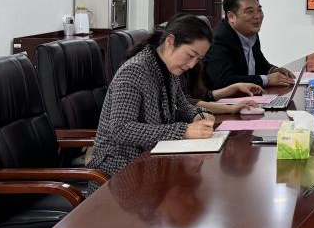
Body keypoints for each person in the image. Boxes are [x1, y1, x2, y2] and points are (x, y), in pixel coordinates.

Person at [89, 15, 218, 178]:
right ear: (170, 41)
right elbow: (121, 129)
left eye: (198, 59)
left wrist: (197, 114)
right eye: (190, 55)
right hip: (121, 172)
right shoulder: (134, 71)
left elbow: (181, 106)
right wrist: (183, 131)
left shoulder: (168, 68)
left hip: (154, 162)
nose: (192, 64)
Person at [204, 0, 296, 90]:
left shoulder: (250, 33)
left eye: (259, 10)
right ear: (231, 17)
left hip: (246, 96)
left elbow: (259, 62)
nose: (257, 16)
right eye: (250, 12)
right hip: (219, 98)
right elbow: (224, 80)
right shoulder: (219, 39)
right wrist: (267, 80)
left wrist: (273, 70)